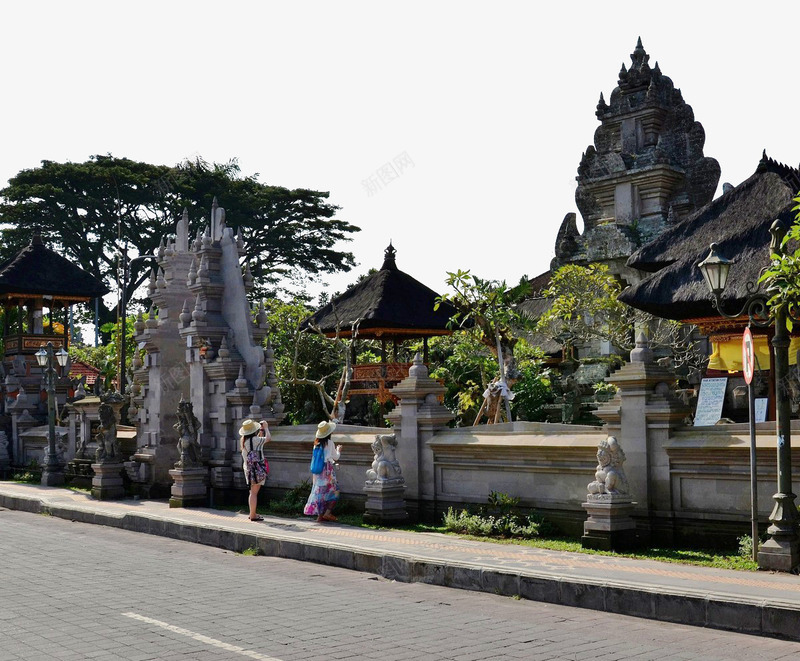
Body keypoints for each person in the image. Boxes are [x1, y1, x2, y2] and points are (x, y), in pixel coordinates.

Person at [304, 420, 342, 522]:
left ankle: (320, 516)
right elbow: (336, 457)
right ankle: (328, 512)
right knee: (335, 492)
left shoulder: (316, 444)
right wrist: (338, 450)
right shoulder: (330, 443)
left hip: (318, 472)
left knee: (320, 493)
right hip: (327, 471)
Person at [240, 419, 271, 521]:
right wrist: (266, 428)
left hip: (248, 469)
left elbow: (254, 445)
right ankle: (253, 515)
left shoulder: (244, 441)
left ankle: (252, 513)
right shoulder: (256, 440)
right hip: (258, 469)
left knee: (252, 492)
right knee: (254, 493)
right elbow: (268, 438)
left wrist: (260, 432)